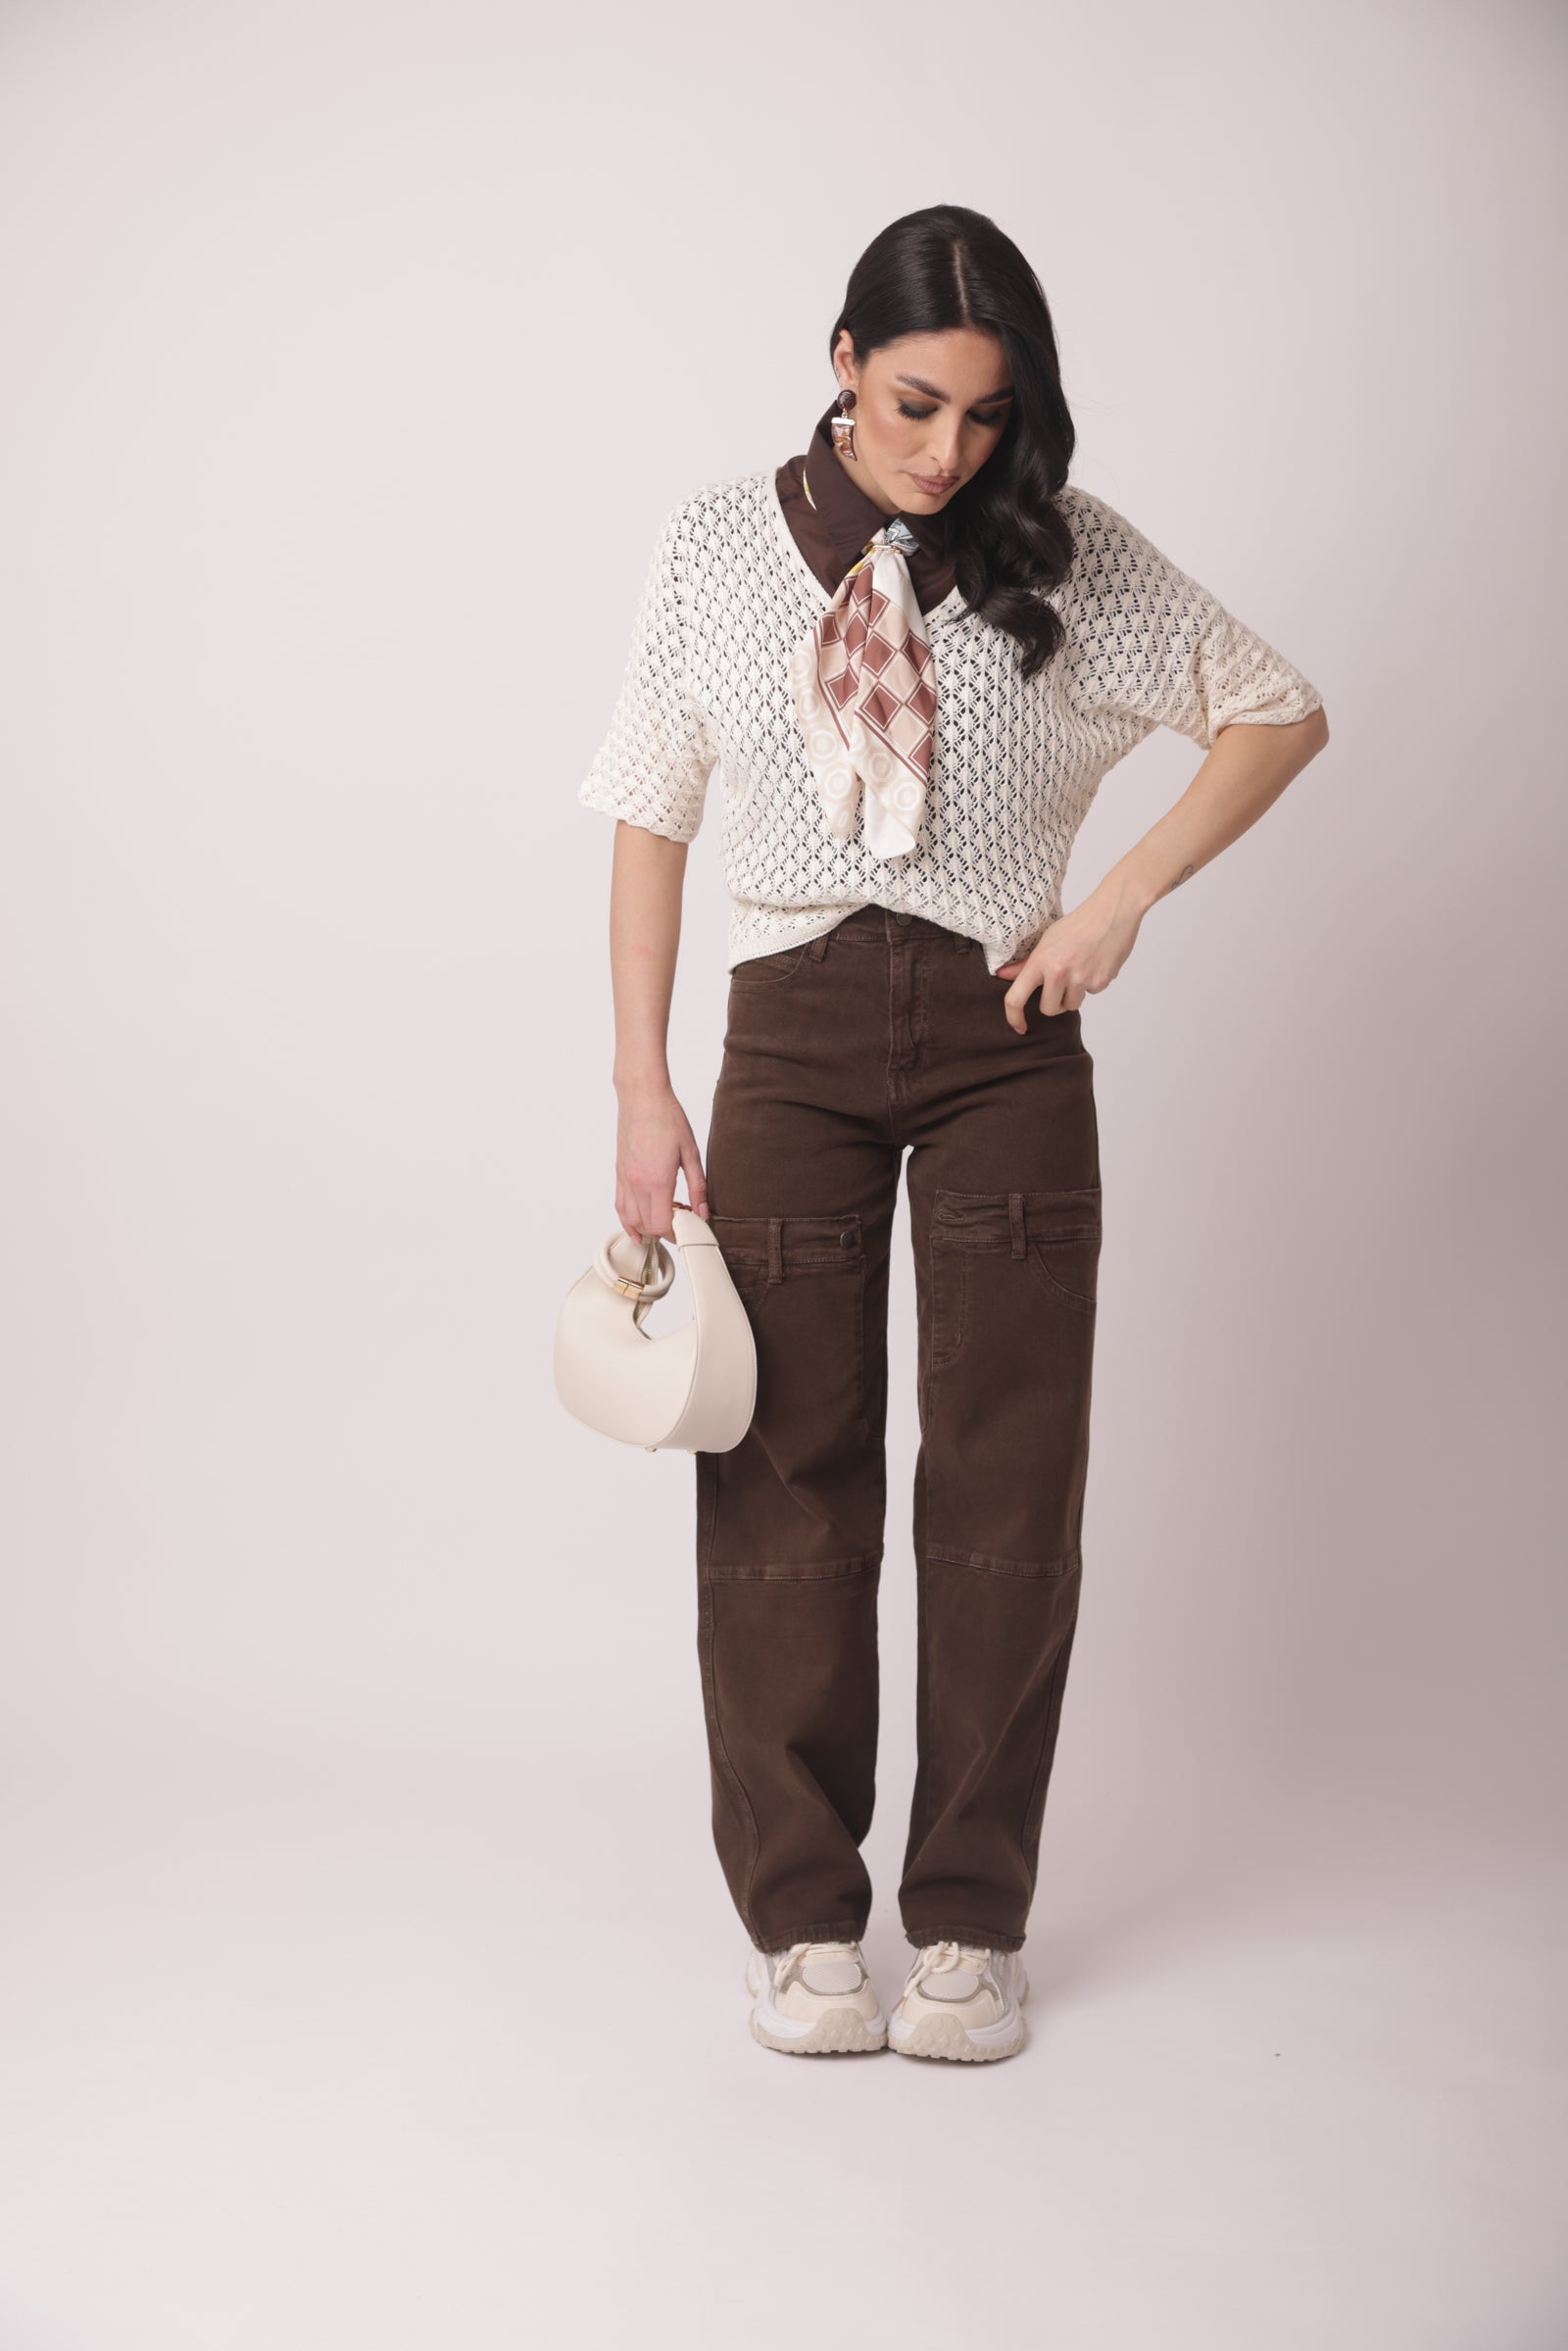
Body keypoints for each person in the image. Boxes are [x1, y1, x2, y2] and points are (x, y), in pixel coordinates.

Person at [577, 203, 1328, 2063]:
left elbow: (1275, 709)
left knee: (1007, 1482)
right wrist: (643, 1086)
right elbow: (651, 815)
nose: (946, 453)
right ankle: (803, 1926)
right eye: (916, 404)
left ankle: (973, 1924)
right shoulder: (715, 545)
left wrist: (1120, 901)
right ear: (844, 361)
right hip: (790, 1039)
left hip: (1008, 1045)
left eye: (988, 417)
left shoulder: (1054, 547)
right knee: (784, 1472)